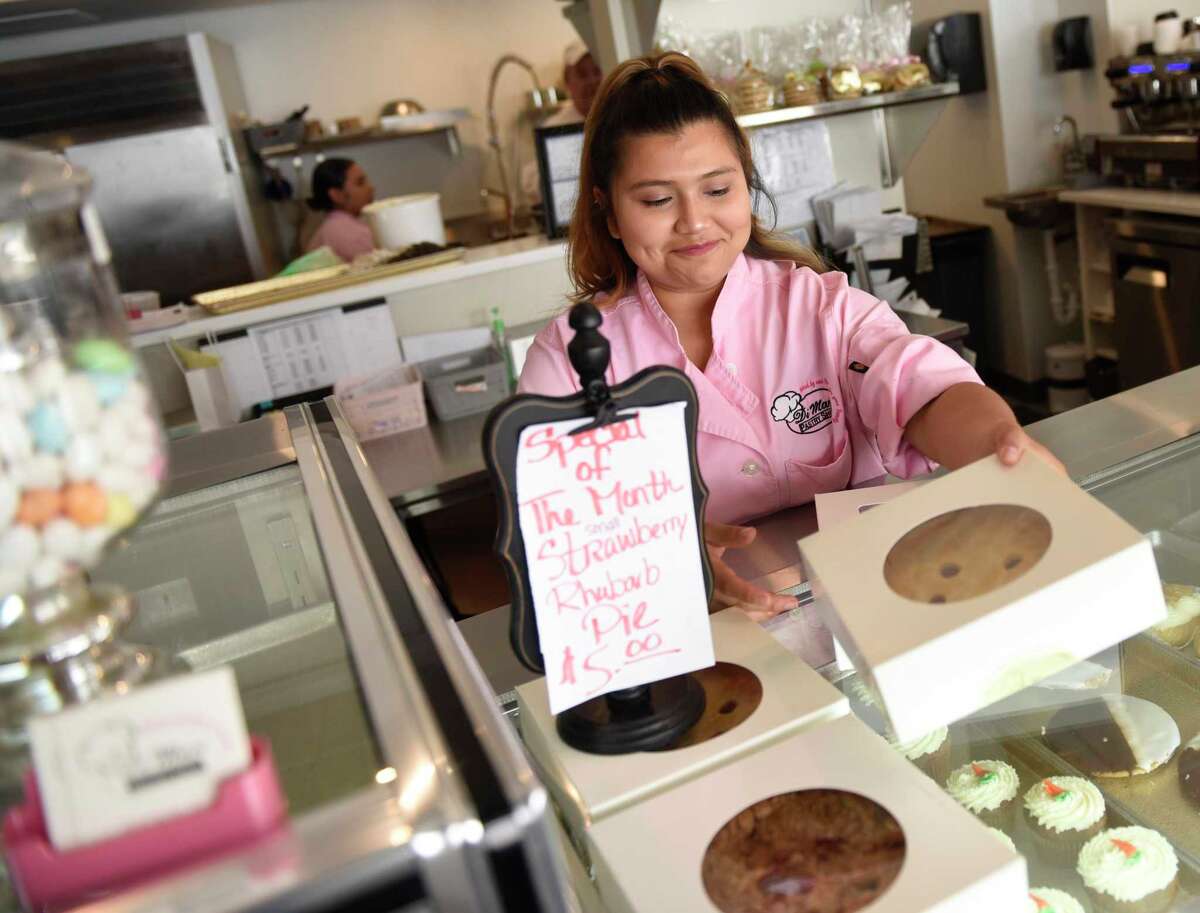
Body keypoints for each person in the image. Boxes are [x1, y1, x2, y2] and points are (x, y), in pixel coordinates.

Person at [518, 52, 1064, 621]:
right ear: (608, 212)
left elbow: (920, 387)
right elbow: (557, 532)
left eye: (717, 190)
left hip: (864, 609)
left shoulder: (818, 307)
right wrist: (660, 557)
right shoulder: (569, 359)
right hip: (685, 630)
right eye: (657, 200)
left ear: (746, 187)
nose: (694, 221)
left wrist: (996, 442)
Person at [521, 43, 605, 201]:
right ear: (568, 81)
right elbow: (530, 182)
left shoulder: (619, 117)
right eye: (582, 74)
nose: (592, 81)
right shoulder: (554, 127)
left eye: (596, 71)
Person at [305, 157, 376, 261]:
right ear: (337, 195)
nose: (371, 188)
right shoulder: (346, 233)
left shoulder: (330, 229)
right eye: (360, 183)